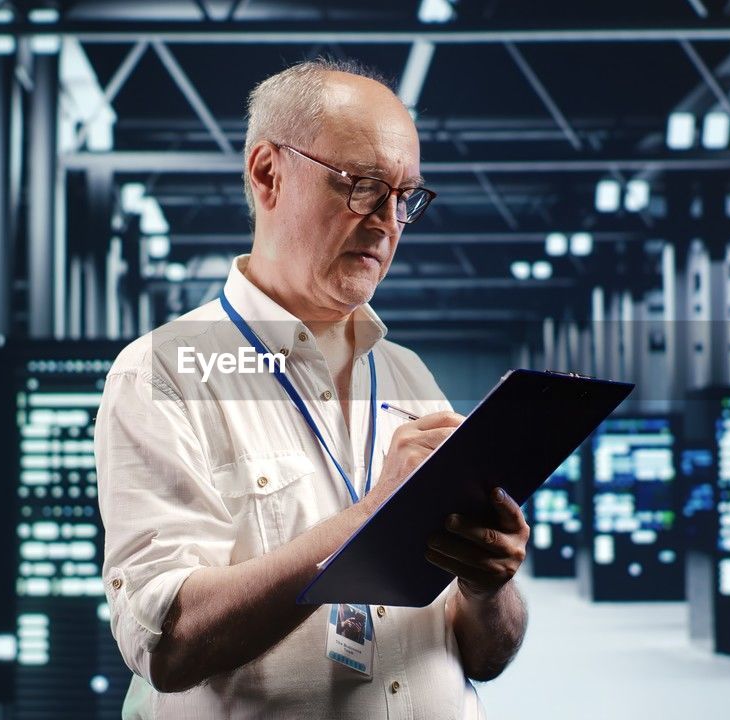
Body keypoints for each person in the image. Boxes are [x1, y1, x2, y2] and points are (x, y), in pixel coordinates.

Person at [95, 57, 529, 719]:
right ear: (268, 172)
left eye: (404, 196)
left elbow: (484, 656)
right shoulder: (164, 373)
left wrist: (488, 584)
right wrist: (367, 521)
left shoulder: (410, 378)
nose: (388, 221)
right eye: (361, 185)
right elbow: (167, 643)